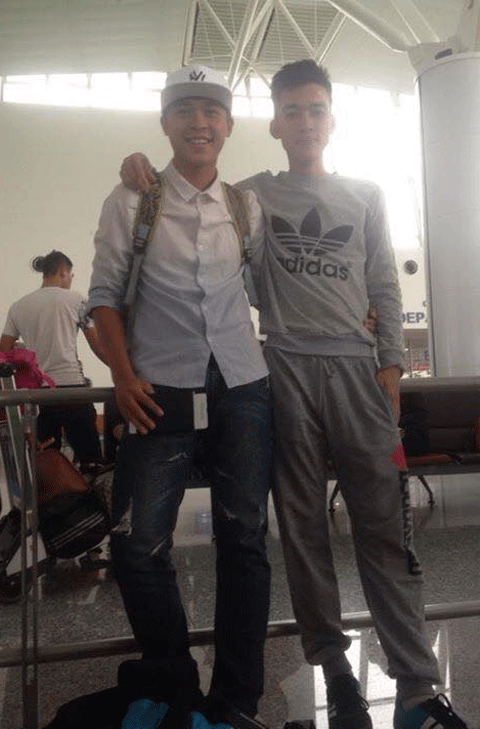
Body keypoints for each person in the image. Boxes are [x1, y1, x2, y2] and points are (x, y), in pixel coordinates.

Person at [119, 60, 468, 729]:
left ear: (331, 119)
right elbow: (194, 210)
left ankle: (417, 688)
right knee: (303, 531)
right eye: (292, 111)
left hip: (358, 374)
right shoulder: (249, 196)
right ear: (275, 123)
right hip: (282, 371)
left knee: (383, 530)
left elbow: (384, 281)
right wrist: (139, 169)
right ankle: (336, 673)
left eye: (316, 109)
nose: (305, 122)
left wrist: (391, 364)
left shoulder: (365, 194)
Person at [87, 65, 272, 729]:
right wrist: (121, 375)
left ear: (229, 125)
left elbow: (267, 288)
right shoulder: (132, 200)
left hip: (242, 384)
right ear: (165, 123)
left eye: (212, 111)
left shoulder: (246, 206)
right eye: (185, 110)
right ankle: (173, 686)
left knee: (244, 538)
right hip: (156, 386)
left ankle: (236, 700)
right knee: (138, 544)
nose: (200, 122)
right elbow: (103, 296)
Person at [0, 250, 106, 469]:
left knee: (45, 463)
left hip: (37, 394)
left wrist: (25, 350)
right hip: (71, 390)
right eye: (71, 276)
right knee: (91, 462)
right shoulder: (77, 300)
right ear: (62, 271)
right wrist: (124, 371)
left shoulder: (18, 306)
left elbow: (4, 351)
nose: (70, 280)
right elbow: (98, 347)